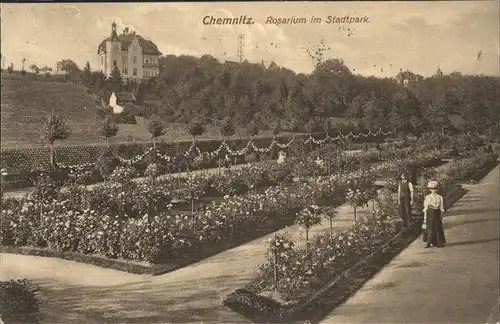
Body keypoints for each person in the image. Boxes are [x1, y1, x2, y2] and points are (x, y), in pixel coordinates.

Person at [422, 180, 446, 248]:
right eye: (432, 189)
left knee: (437, 227)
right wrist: (425, 218)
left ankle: (439, 242)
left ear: (437, 189)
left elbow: (441, 207)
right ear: (429, 189)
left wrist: (441, 214)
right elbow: (426, 207)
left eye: (435, 189)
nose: (433, 190)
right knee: (430, 227)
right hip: (430, 213)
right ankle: (428, 242)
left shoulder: (439, 197)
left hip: (437, 213)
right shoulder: (428, 197)